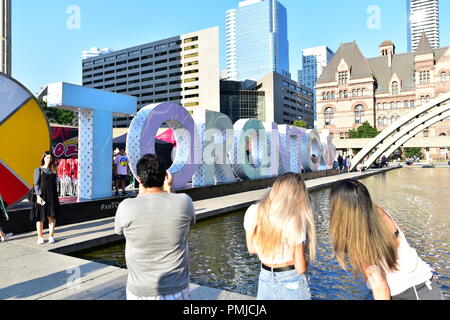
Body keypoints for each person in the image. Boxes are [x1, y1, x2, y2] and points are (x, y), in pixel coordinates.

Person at [329, 179, 444, 300]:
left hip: (412, 292)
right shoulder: (379, 213)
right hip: (425, 287)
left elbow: (380, 287)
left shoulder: (360, 239)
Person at [114, 154, 196, 300]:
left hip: (139, 291)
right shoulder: (184, 202)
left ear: (139, 179)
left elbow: (119, 231)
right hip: (176, 289)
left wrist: (141, 192)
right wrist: (170, 188)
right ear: (165, 176)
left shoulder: (126, 207)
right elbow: (189, 218)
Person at [244, 173, 316, 300]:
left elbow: (252, 249)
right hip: (291, 280)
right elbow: (300, 267)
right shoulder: (295, 219)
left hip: (265, 279)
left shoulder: (253, 211)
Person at [30, 151, 60, 244]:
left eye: (50, 158)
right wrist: (38, 197)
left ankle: (51, 236)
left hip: (52, 197)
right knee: (40, 218)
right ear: (43, 158)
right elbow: (36, 184)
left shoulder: (53, 171)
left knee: (51, 217)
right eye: (47, 157)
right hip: (41, 197)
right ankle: (40, 237)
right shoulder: (38, 170)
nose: (49, 159)